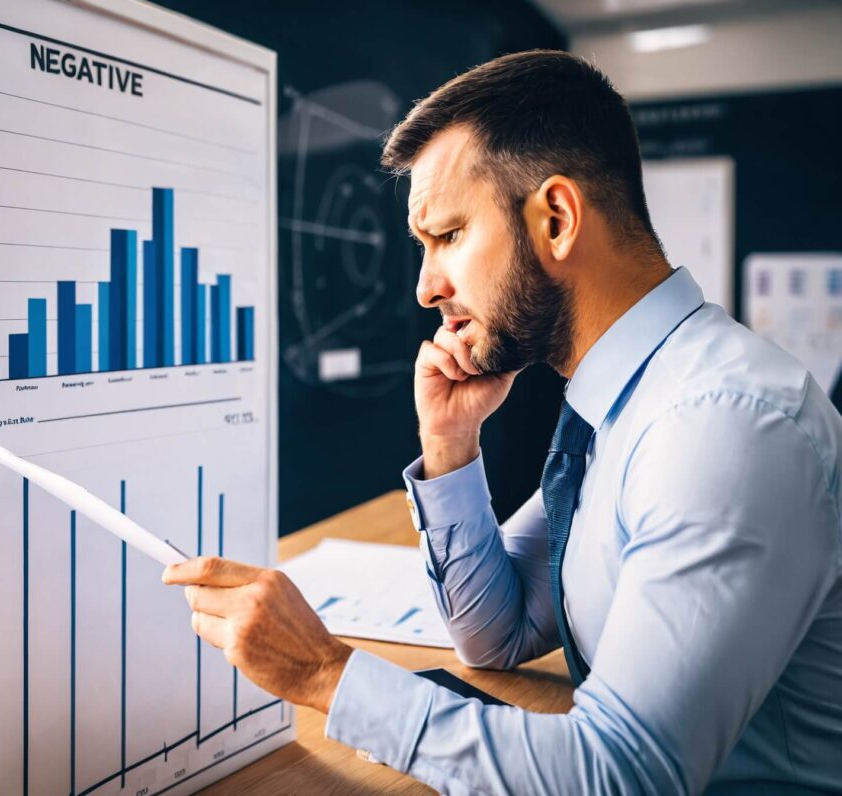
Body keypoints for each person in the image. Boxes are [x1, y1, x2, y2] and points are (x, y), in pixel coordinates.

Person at [163, 51, 842, 794]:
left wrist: (327, 674)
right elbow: (499, 632)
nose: (426, 287)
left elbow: (620, 778)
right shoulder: (625, 403)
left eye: (447, 236)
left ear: (556, 219)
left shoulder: (720, 429)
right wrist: (449, 447)